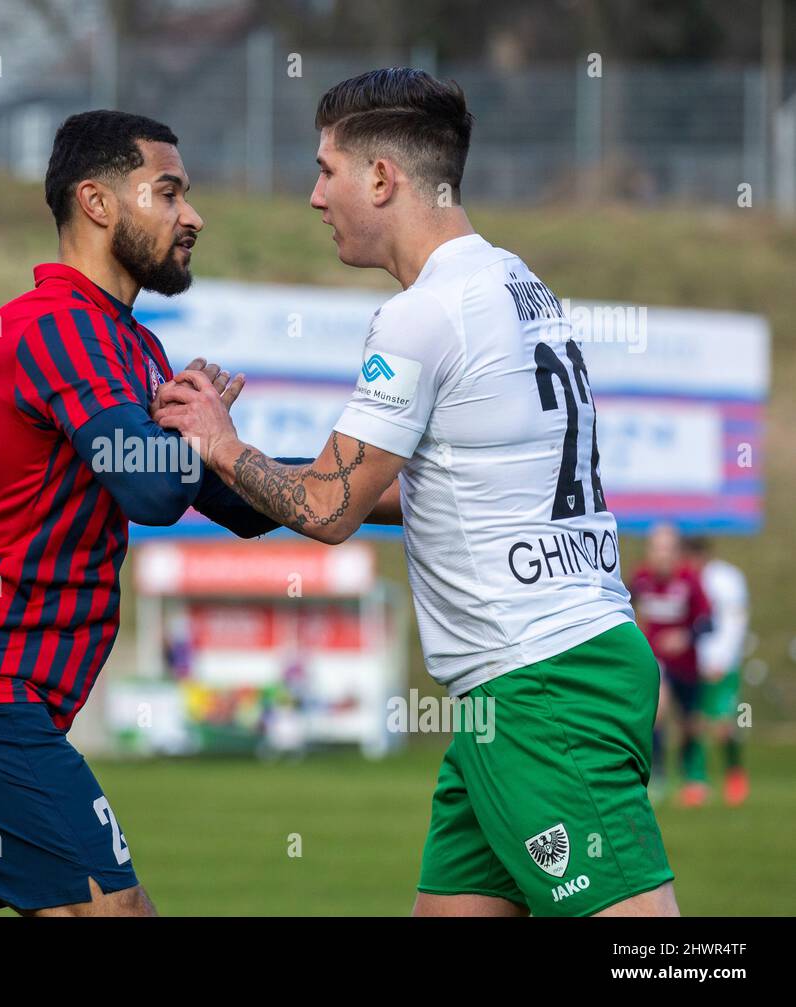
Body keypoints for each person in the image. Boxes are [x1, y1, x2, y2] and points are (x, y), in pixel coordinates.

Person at [155, 68, 677, 917]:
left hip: (539, 684)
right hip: (518, 685)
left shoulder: (423, 314)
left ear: (383, 179)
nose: (315, 195)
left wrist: (220, 443)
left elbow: (328, 509)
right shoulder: (517, 283)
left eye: (326, 170)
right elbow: (431, 490)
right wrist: (245, 471)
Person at [0, 110, 290, 916]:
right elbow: (151, 489)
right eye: (170, 191)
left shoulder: (133, 347)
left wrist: (381, 483)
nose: (193, 215)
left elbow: (241, 505)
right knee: (107, 908)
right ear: (98, 201)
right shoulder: (59, 324)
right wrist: (200, 437)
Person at [629, 524, 713, 806]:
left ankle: (693, 777)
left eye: (667, 548)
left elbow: (708, 622)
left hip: (687, 664)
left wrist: (685, 636)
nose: (661, 555)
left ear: (677, 552)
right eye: (656, 548)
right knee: (658, 711)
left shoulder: (690, 579)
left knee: (690, 723)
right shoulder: (641, 577)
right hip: (656, 662)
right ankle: (659, 776)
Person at [685, 536, 749, 804]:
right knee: (696, 723)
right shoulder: (686, 581)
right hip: (695, 664)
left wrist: (722, 659)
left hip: (723, 664)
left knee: (725, 725)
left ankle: (735, 774)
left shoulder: (727, 578)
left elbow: (736, 620)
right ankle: (697, 781)